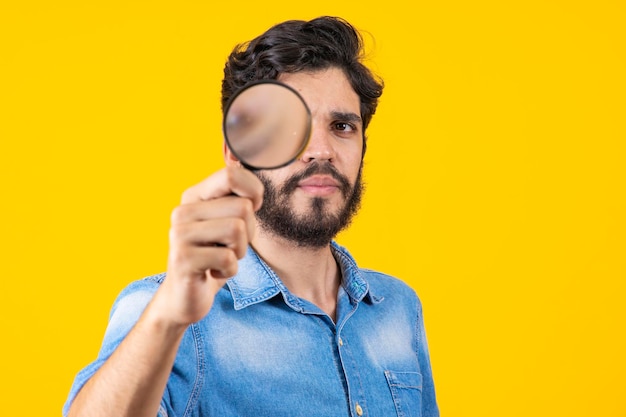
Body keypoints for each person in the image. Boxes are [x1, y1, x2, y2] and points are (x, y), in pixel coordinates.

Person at [63, 16, 439, 417]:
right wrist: (169, 316)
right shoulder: (164, 310)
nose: (321, 150)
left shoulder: (398, 307)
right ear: (237, 153)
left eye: (342, 126)